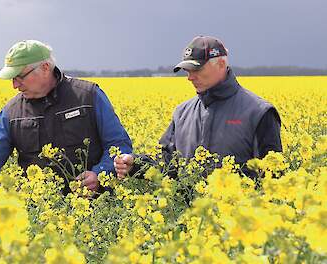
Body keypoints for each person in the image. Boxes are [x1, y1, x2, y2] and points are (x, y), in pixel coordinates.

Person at [0, 40, 132, 193]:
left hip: (93, 208)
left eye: (19, 76)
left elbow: (118, 144)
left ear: (45, 68)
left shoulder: (88, 95)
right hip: (38, 214)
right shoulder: (12, 112)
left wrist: (99, 174)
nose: (14, 85)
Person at [115, 35, 282, 179]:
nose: (190, 77)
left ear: (221, 64)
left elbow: (273, 177)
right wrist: (135, 164)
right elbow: (167, 164)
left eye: (196, 69)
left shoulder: (259, 112)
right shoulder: (182, 113)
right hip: (192, 215)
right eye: (187, 70)